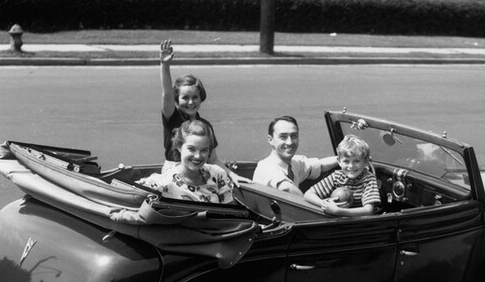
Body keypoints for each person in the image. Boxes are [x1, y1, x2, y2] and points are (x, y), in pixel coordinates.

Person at [159, 39, 240, 180]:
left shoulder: (205, 126)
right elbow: (166, 94)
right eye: (185, 98)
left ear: (201, 97)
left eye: (195, 97)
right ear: (176, 100)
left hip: (198, 169)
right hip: (175, 174)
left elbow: (213, 159)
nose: (191, 102)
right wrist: (165, 65)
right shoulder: (172, 117)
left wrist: (233, 175)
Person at [137, 119, 237, 204]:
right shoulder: (163, 183)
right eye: (191, 149)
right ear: (179, 146)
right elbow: (131, 191)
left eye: (204, 150)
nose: (198, 156)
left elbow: (231, 213)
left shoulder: (218, 174)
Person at [252, 116, 338, 196]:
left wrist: (342, 158)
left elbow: (319, 165)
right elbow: (286, 188)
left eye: (293, 136)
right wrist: (316, 203)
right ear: (270, 140)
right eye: (283, 137)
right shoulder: (267, 167)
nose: (289, 142)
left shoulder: (294, 163)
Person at [303, 134, 380, 217]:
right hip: (337, 219)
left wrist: (339, 211)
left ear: (366, 162)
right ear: (339, 161)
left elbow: (368, 210)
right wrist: (324, 204)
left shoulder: (368, 180)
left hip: (360, 222)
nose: (351, 166)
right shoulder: (337, 176)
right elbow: (308, 194)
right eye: (346, 161)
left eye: (356, 161)